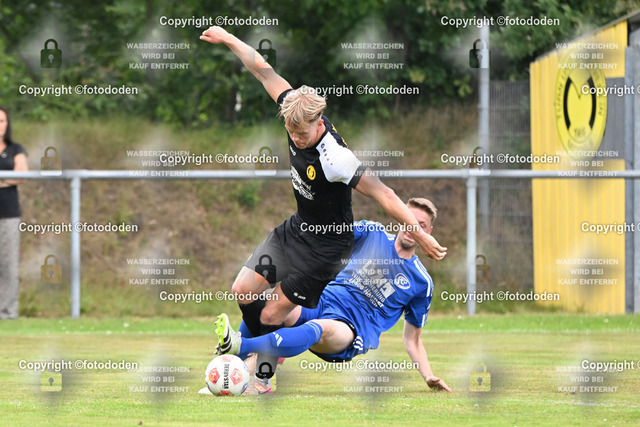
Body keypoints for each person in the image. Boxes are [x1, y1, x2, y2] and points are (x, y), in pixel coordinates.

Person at [200, 27, 447, 390]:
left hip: (327, 249)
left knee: (272, 312)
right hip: (298, 229)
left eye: (302, 134)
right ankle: (245, 369)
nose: (296, 138)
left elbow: (385, 194)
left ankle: (250, 372)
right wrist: (229, 39)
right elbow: (264, 71)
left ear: (318, 122)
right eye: (291, 132)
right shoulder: (294, 110)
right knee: (242, 290)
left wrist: (420, 235)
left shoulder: (337, 159)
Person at [216, 198, 450, 393]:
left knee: (321, 328)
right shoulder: (373, 233)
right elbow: (333, 235)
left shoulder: (421, 281)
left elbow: (413, 338)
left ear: (428, 232)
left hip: (351, 328)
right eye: (409, 221)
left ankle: (241, 345)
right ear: (401, 218)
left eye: (420, 225)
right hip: (321, 302)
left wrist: (428, 375)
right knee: (272, 302)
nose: (412, 228)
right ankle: (232, 374)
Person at [0, 107, 28, 319]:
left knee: (8, 264)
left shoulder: (15, 149)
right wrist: (6, 180)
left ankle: (7, 312)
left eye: (2, 121)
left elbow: (21, 175)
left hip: (8, 214)